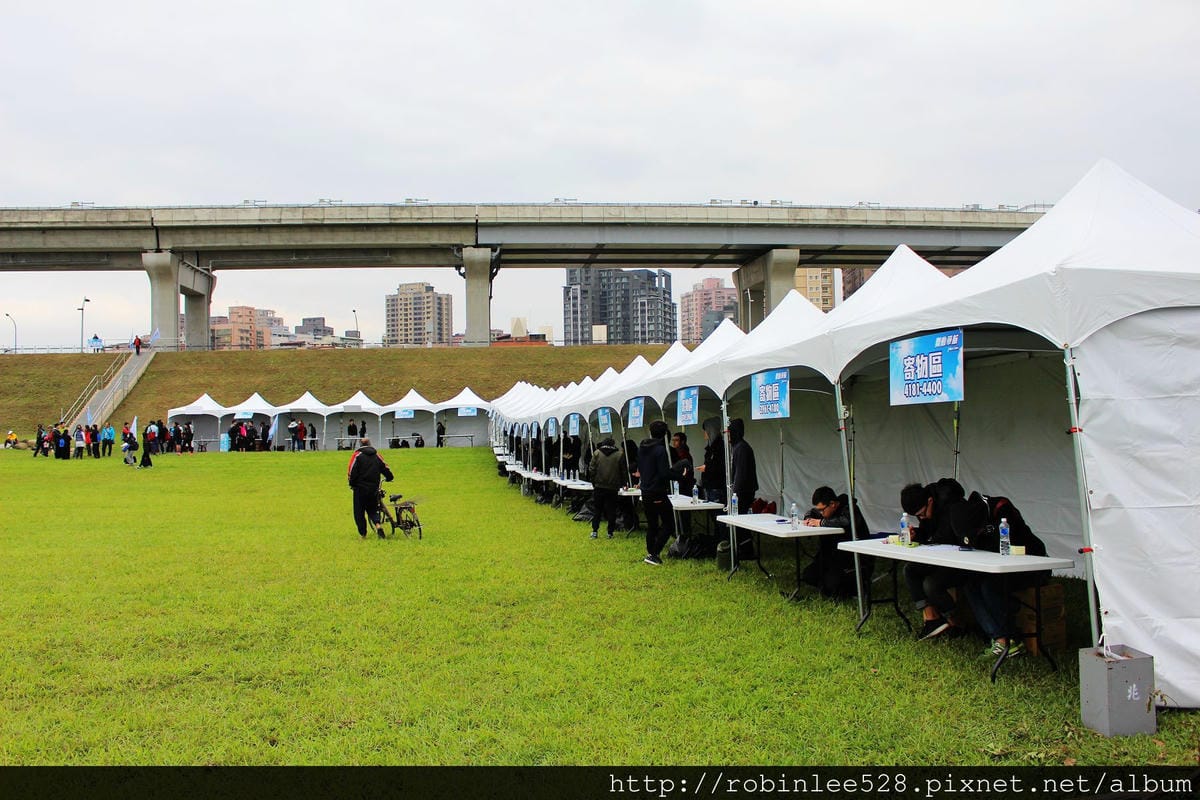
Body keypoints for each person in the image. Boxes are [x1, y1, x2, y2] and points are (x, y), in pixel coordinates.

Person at [954, 492, 1048, 659]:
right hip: (1001, 568)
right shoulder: (972, 516)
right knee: (969, 584)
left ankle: (1009, 638)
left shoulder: (1003, 511)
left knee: (989, 586)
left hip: (1031, 567)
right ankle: (1001, 638)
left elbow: (1006, 547)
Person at [900, 478, 970, 640]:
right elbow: (928, 533)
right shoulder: (928, 508)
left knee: (931, 584)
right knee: (910, 570)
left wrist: (927, 540)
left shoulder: (953, 507)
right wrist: (916, 534)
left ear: (930, 501)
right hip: (941, 558)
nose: (922, 518)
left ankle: (956, 623)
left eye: (921, 514)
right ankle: (932, 619)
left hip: (962, 560)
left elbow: (945, 539)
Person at [801, 486, 870, 598]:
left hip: (853, 559)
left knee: (831, 584)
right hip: (832, 557)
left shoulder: (850, 508)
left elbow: (847, 522)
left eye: (822, 510)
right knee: (808, 575)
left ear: (832, 504)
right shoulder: (826, 510)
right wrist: (808, 519)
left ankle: (851, 588)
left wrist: (821, 523)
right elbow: (812, 512)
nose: (821, 513)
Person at [635, 420, 681, 566]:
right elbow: (664, 473)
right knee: (669, 523)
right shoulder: (660, 450)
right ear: (665, 434)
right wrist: (679, 475)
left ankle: (651, 553)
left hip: (645, 491)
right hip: (657, 491)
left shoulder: (642, 448)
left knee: (652, 524)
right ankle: (654, 553)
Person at [347, 437, 394, 539]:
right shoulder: (377, 455)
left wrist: (352, 484)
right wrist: (390, 477)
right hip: (373, 488)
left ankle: (363, 534)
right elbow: (385, 467)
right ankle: (378, 525)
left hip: (360, 489)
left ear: (360, 445)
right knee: (373, 509)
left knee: (359, 512)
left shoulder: (357, 456)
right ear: (370, 444)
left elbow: (351, 471)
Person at [586, 437, 624, 539]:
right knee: (612, 510)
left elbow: (591, 469)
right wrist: (622, 483)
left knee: (597, 510)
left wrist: (594, 482)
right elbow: (622, 471)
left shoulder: (597, 453)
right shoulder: (619, 455)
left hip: (599, 486)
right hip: (613, 487)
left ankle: (594, 531)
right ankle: (610, 532)